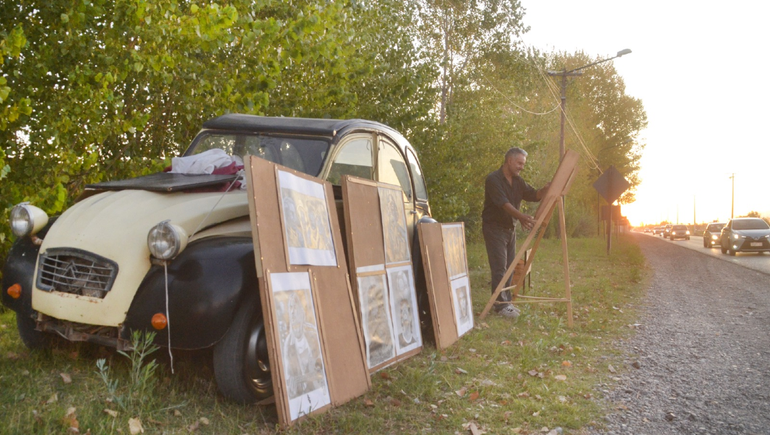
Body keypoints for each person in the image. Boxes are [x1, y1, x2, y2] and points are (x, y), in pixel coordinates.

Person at [482, 147, 549, 318]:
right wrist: (521, 217)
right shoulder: (493, 179)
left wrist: (547, 189)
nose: (521, 167)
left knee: (510, 267)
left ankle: (507, 302)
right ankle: (500, 306)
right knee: (500, 267)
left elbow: (534, 195)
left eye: (523, 164)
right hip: (494, 228)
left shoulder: (518, 181)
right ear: (509, 161)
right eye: (519, 163)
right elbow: (503, 203)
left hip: (509, 229)